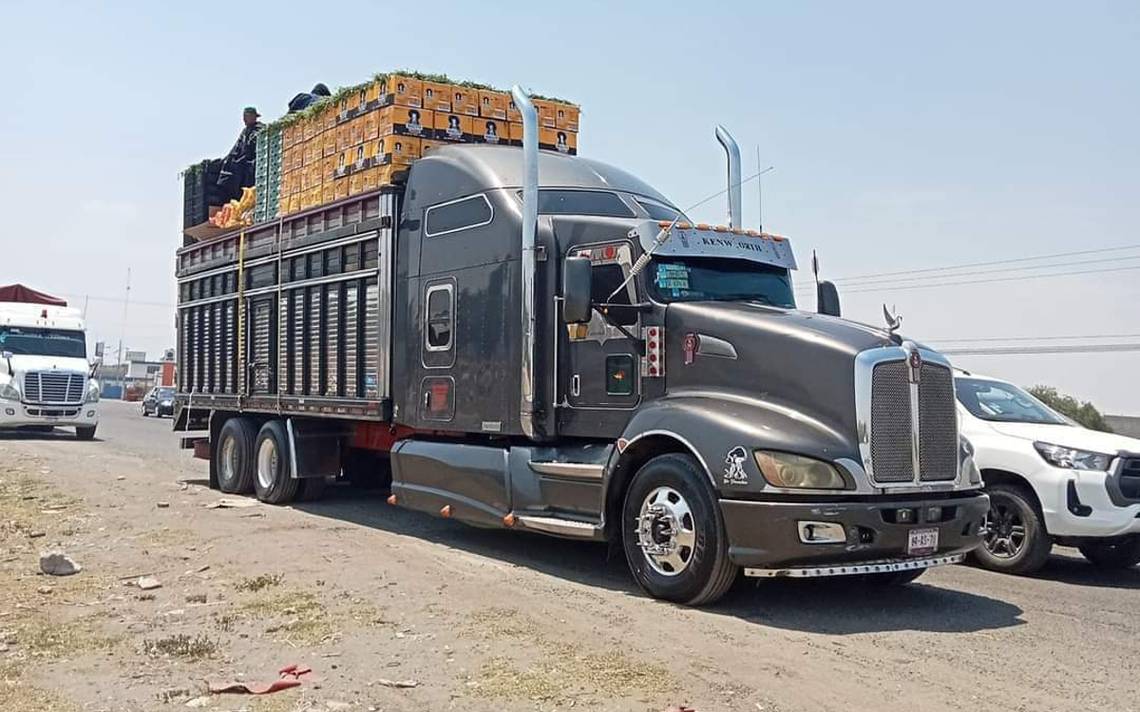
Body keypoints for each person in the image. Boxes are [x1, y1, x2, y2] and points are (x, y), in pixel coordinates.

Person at [217, 107, 264, 201]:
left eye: (247, 117)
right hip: (243, 164)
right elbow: (236, 148)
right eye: (244, 117)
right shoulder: (245, 131)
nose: (244, 120)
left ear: (253, 117)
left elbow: (253, 148)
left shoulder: (260, 129)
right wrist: (227, 160)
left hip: (253, 164)